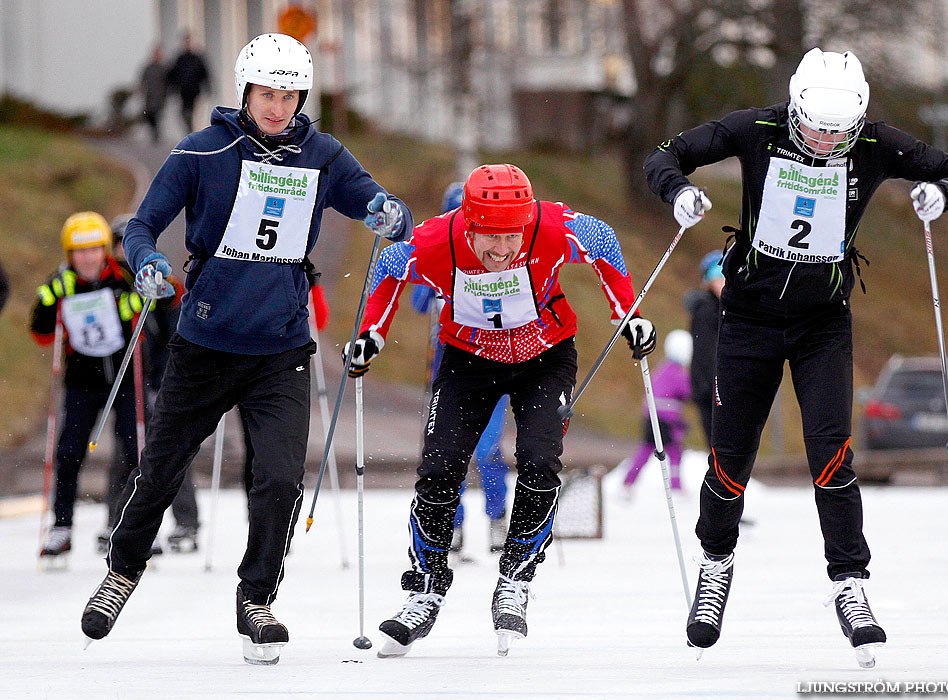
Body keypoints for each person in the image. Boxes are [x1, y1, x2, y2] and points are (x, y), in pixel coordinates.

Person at [80, 33, 414, 666]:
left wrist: (383, 211)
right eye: (267, 92)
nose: (278, 105)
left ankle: (256, 600)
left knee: (281, 477)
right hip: (206, 343)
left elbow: (371, 197)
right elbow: (145, 224)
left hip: (281, 348)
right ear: (246, 91)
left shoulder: (320, 153)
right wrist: (148, 262)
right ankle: (122, 572)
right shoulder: (204, 151)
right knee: (162, 469)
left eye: (290, 94)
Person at [644, 47, 948, 667]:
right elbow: (664, 155)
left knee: (831, 450)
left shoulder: (876, 143)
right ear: (795, 109)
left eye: (839, 130)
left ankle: (850, 584)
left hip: (822, 324)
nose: (826, 140)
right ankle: (715, 566)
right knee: (730, 452)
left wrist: (945, 193)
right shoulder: (757, 129)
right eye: (815, 126)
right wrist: (678, 193)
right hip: (745, 320)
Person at [345, 163, 656, 658]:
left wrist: (630, 315)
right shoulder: (435, 240)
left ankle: (515, 577)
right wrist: (371, 334)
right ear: (467, 223)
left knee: (538, 457)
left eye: (512, 236)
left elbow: (604, 241)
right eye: (489, 238)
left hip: (545, 355)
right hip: (468, 359)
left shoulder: (553, 228)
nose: (502, 251)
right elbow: (388, 267)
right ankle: (425, 587)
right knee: (440, 466)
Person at [30, 212, 144, 562]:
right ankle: (61, 527)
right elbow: (41, 333)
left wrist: (138, 301)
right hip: (82, 382)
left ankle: (136, 526)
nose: (88, 258)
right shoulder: (61, 283)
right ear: (69, 254)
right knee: (69, 452)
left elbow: (158, 309)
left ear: (105, 251)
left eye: (94, 250)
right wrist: (48, 302)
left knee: (134, 449)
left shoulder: (123, 277)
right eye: (79, 252)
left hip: (125, 380)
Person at [412, 182, 510, 557]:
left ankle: (498, 515)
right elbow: (420, 301)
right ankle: (450, 525)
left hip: (494, 366)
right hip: (446, 371)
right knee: (446, 453)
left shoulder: (498, 257)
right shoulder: (437, 255)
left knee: (486, 450)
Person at [105, 215, 200, 553]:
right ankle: (117, 518)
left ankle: (187, 521)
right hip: (126, 380)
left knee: (169, 451)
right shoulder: (109, 282)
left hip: (160, 380)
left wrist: (163, 376)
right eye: (118, 244)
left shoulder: (165, 282)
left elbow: (176, 331)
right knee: (126, 450)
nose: (123, 251)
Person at [621, 329, 692, 497]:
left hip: (651, 417)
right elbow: (688, 392)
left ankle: (628, 481)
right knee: (675, 452)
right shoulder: (678, 373)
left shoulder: (662, 368)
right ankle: (676, 486)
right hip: (667, 420)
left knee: (645, 450)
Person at [682, 250, 725, 449]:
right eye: (716, 275)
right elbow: (707, 354)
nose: (721, 280)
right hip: (712, 387)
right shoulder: (707, 309)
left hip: (719, 386)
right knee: (720, 446)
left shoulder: (721, 308)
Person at [165, 34, 210, 133]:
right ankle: (189, 127)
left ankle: (190, 128)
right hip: (183, 90)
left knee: (190, 111)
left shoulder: (197, 58)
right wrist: (171, 88)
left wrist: (207, 87)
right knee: (184, 112)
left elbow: (204, 73)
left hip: (194, 90)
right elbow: (172, 74)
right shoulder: (180, 58)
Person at [139, 46, 168, 144]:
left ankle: (156, 134)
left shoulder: (163, 68)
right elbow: (143, 80)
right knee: (149, 115)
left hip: (160, 96)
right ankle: (153, 132)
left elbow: (168, 82)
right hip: (149, 95)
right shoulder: (148, 68)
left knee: (157, 114)